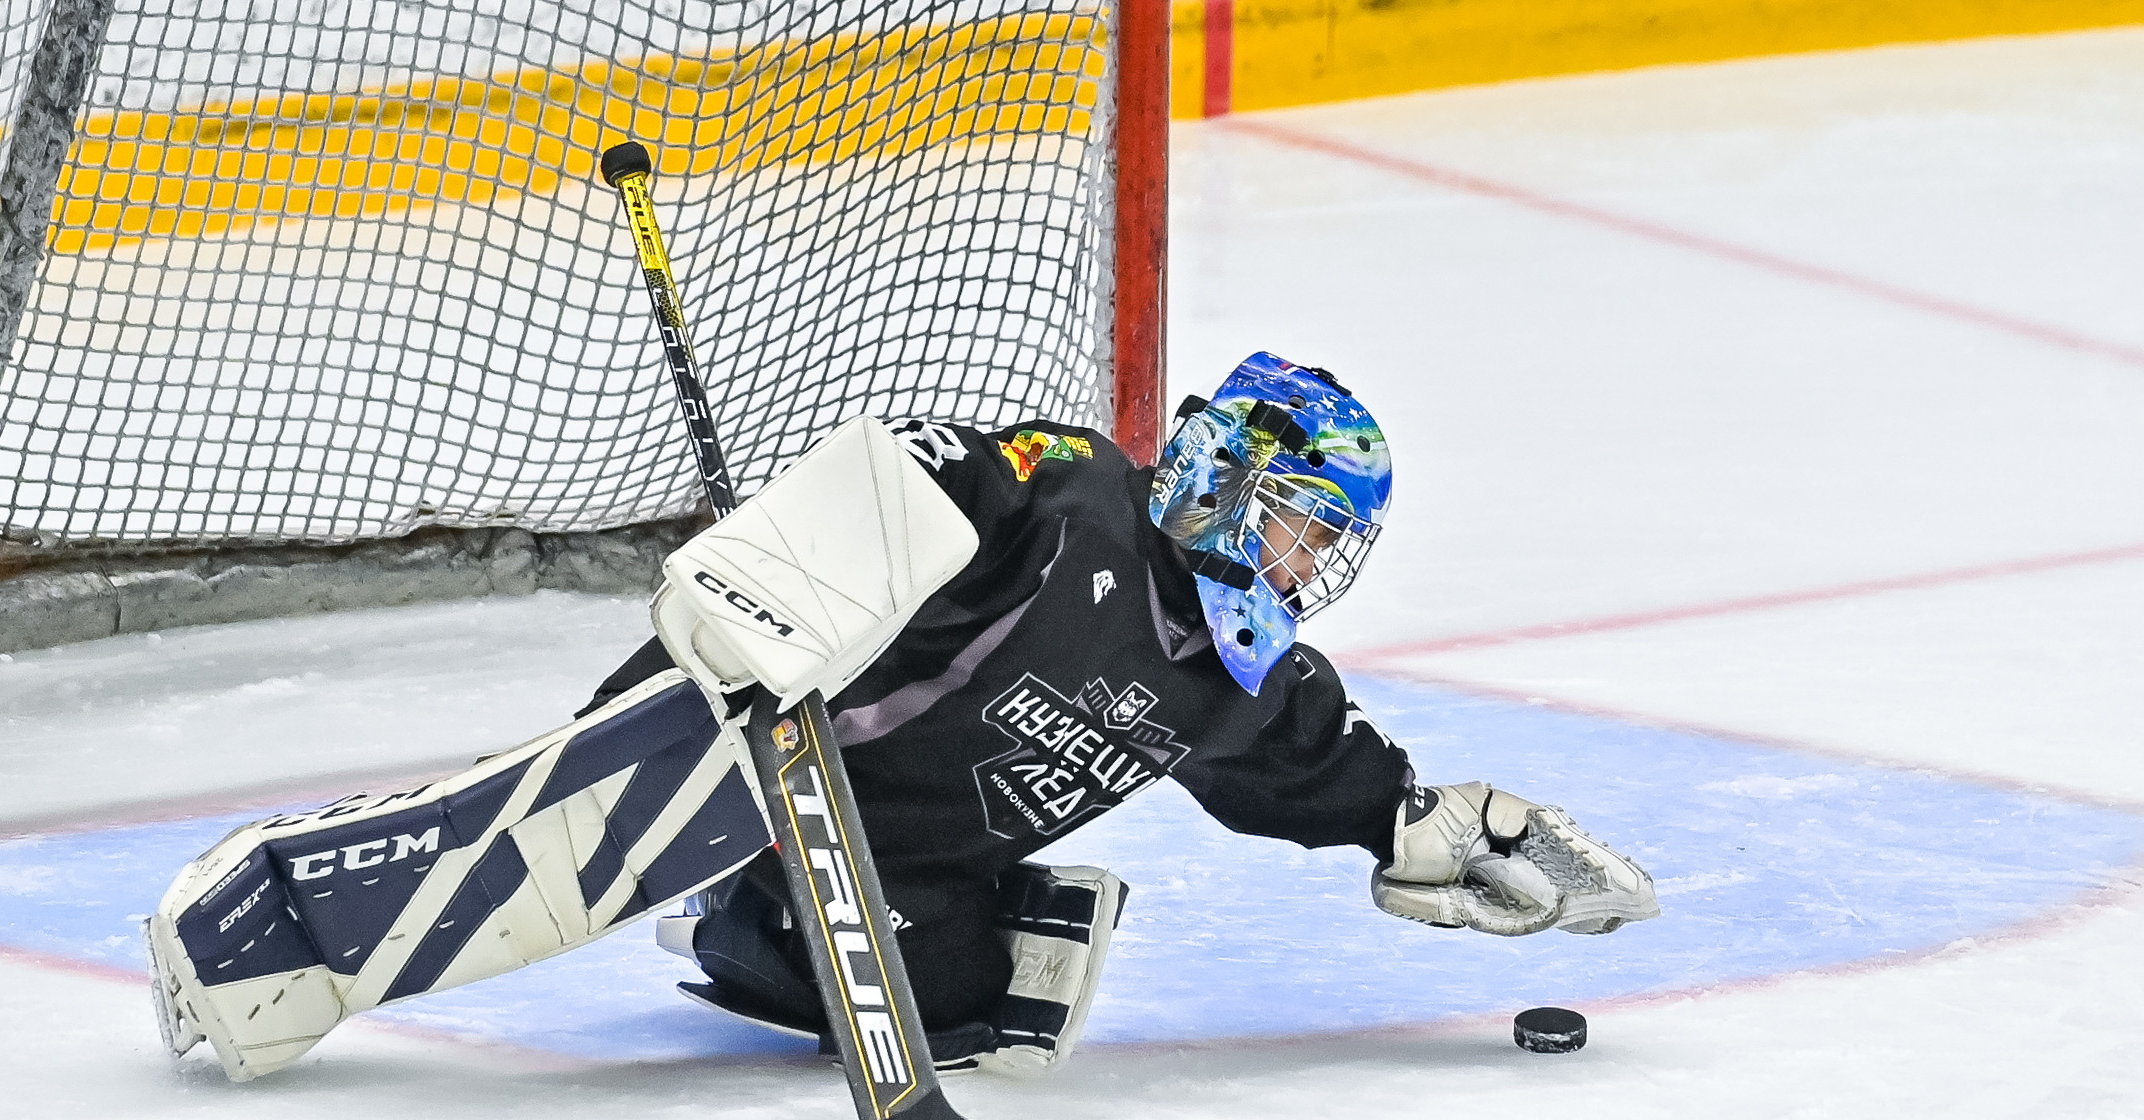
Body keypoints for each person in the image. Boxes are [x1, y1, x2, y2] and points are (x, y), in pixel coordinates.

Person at [580, 351, 1658, 1072]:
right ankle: (651, 793)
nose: (1309, 564)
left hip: (886, 866)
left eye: (1330, 546)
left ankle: (751, 919)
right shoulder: (1077, 500)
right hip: (753, 739)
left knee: (961, 1017)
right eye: (1304, 526)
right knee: (661, 746)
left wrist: (1441, 831)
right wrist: (782, 557)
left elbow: (1318, 766)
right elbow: (925, 469)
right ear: (1230, 477)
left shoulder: (1239, 677)